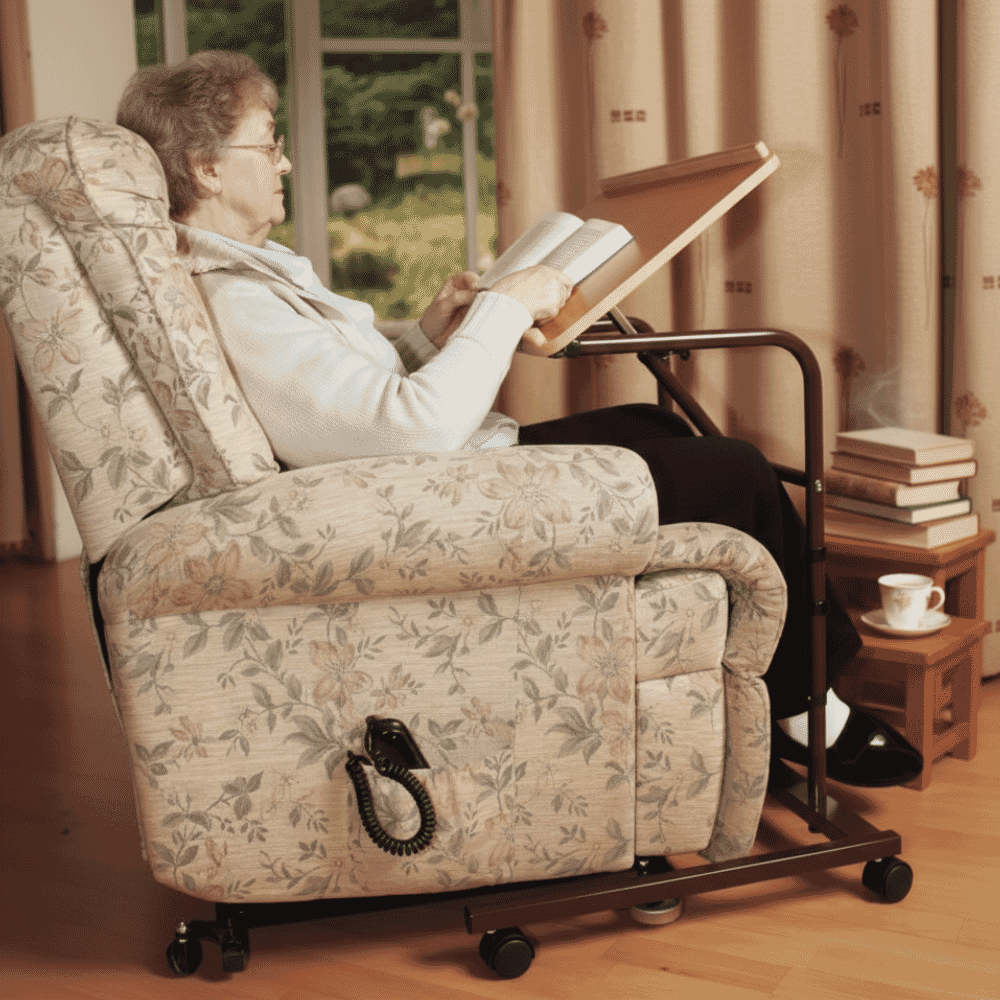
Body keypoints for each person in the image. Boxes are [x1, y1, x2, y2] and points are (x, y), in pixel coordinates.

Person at [117, 51, 920, 788]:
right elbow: (410, 433)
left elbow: (340, 401)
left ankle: (756, 688)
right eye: (269, 145)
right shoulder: (238, 302)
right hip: (445, 504)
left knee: (658, 429)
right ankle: (809, 709)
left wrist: (424, 338)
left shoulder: (248, 275)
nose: (286, 161)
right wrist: (505, 307)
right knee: (735, 470)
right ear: (207, 167)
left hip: (444, 477)